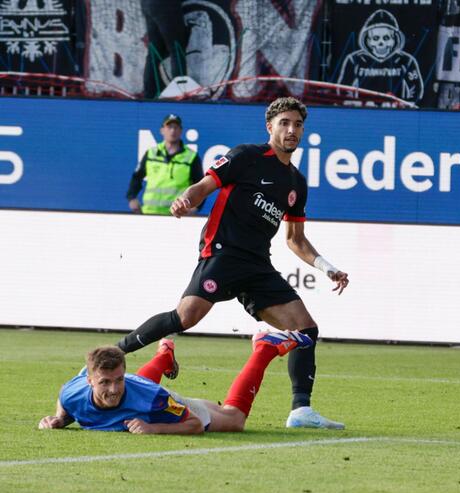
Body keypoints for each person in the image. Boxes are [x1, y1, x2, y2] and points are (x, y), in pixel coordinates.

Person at [115, 96, 349, 430]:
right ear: (270, 127)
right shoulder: (247, 156)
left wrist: (327, 267)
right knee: (185, 317)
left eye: (297, 124)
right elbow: (204, 185)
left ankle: (301, 411)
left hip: (257, 265)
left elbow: (295, 239)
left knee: (305, 329)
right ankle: (114, 353)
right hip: (223, 253)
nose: (291, 130)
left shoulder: (296, 183)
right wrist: (186, 200)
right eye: (284, 123)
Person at [39, 331, 311, 434]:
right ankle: (165, 355)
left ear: (124, 371)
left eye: (117, 379)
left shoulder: (152, 398)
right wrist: (58, 420)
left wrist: (152, 428)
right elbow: (65, 402)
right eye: (104, 382)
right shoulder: (72, 392)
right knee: (134, 391)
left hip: (157, 399)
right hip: (141, 390)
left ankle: (265, 347)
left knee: (233, 420)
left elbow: (193, 424)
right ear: (89, 381)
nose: (112, 388)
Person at [127, 113, 203, 215]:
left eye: (176, 127)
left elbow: (201, 186)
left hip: (177, 215)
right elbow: (137, 177)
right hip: (149, 213)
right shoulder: (151, 153)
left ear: (181, 131)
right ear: (162, 130)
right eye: (169, 127)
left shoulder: (191, 157)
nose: (173, 131)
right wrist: (132, 198)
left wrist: (196, 208)